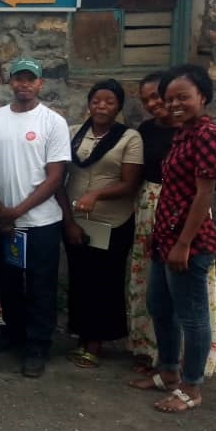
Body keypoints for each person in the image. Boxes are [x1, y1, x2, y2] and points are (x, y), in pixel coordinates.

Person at [130, 64, 216, 413]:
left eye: (183, 97)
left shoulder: (207, 135)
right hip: (164, 236)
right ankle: (168, 372)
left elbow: (204, 195)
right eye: (169, 98)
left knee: (192, 317)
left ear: (202, 96)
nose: (174, 104)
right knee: (160, 306)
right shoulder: (183, 133)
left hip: (189, 241)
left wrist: (184, 244)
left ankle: (191, 388)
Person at [0, 58, 71, 379]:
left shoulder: (53, 122)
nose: (24, 84)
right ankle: (16, 333)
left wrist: (16, 212)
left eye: (30, 79)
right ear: (10, 82)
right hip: (2, 221)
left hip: (41, 223)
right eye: (18, 79)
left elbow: (55, 177)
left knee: (40, 287)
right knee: (8, 284)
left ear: (40, 84)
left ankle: (37, 345)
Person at [57, 79, 143, 368]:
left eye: (109, 102)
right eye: (96, 101)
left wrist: (97, 194)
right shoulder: (73, 134)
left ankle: (95, 343)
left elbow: (130, 183)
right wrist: (68, 221)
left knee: (104, 281)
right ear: (89, 104)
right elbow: (60, 175)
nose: (102, 106)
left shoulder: (129, 138)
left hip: (112, 222)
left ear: (118, 106)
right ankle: (81, 334)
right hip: (76, 221)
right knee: (80, 279)